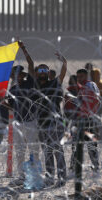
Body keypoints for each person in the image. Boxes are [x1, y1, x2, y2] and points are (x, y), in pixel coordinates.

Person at [26, 42, 67, 187]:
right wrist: (24, 50)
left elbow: (62, 74)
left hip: (54, 122)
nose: (42, 72)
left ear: (48, 73)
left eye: (45, 70)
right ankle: (50, 178)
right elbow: (30, 67)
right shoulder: (36, 85)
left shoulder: (54, 83)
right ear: (38, 73)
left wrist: (64, 61)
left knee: (57, 150)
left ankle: (62, 177)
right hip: (42, 122)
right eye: (40, 70)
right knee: (47, 152)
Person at [5, 59, 40, 186]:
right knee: (20, 151)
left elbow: (31, 65)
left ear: (22, 75)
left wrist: (24, 50)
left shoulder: (30, 83)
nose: (17, 77)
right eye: (15, 75)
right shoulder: (13, 89)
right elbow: (12, 107)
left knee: (34, 150)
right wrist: (3, 103)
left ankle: (35, 174)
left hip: (31, 121)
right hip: (18, 122)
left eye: (19, 74)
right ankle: (21, 175)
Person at [71, 69, 100, 172]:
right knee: (77, 142)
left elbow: (96, 99)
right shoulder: (82, 87)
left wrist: (90, 113)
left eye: (81, 76)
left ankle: (95, 165)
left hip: (88, 119)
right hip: (81, 119)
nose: (79, 79)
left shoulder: (90, 85)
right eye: (78, 77)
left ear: (86, 76)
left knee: (90, 142)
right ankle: (74, 166)